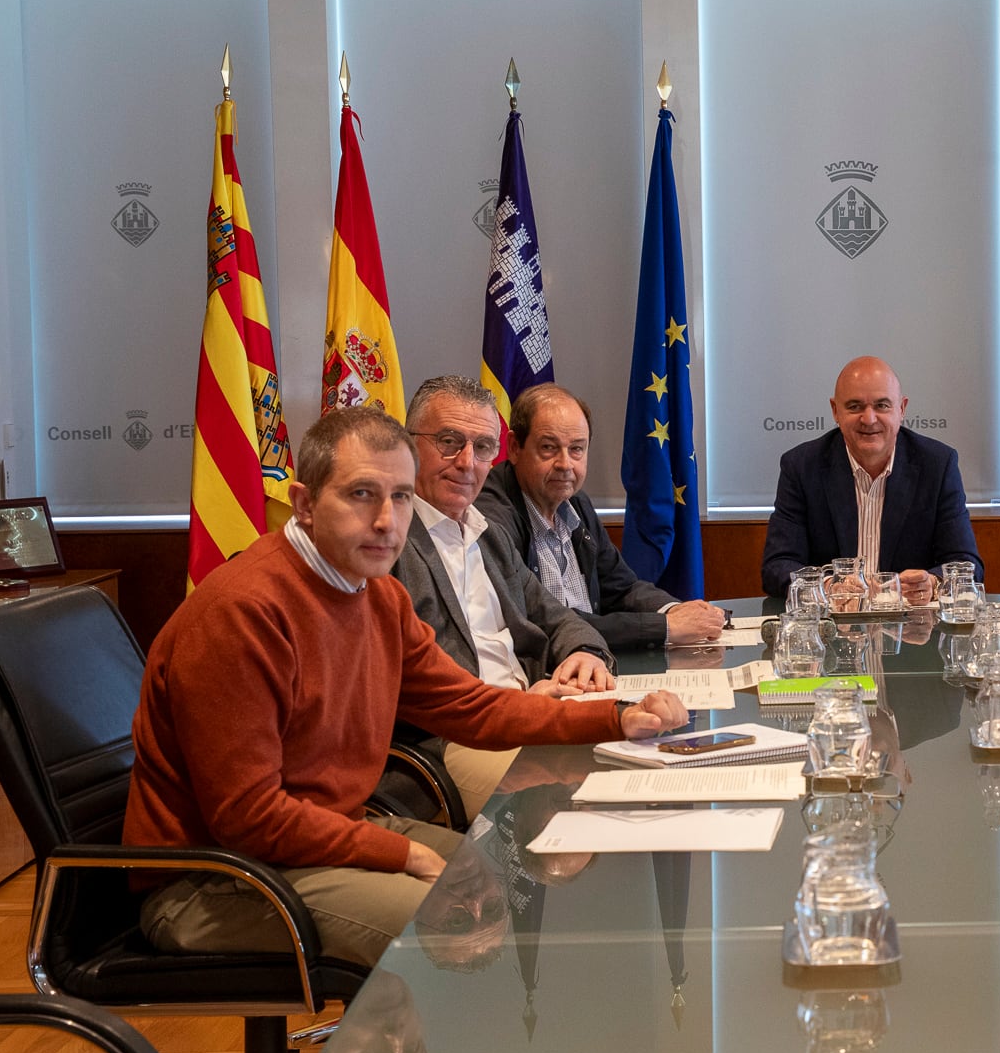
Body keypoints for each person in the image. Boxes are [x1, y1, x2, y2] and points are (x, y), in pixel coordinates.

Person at [123, 405, 688, 970]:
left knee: (498, 887)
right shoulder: (243, 613)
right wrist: (399, 852)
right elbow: (248, 818)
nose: (386, 521)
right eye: (361, 495)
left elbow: (470, 708)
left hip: (320, 837)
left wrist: (615, 717)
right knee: (448, 918)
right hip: (213, 878)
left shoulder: (376, 596)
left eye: (398, 497)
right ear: (303, 503)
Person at [392, 375, 623, 818]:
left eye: (482, 448)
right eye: (448, 441)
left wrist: (586, 651)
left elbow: (556, 617)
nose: (467, 462)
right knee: (600, 769)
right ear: (408, 445)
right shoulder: (390, 544)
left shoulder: (487, 534)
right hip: (457, 740)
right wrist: (515, 710)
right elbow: (412, 682)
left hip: (528, 713)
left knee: (644, 745)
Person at [476, 383, 726, 651]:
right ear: (514, 447)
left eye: (576, 449)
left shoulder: (574, 502)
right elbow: (541, 623)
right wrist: (664, 628)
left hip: (592, 657)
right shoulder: (491, 519)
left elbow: (622, 588)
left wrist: (674, 610)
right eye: (549, 447)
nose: (565, 464)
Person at [759, 355, 981, 603]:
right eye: (854, 406)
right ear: (835, 411)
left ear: (902, 409)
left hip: (911, 631)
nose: (869, 419)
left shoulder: (937, 464)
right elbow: (776, 568)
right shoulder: (801, 467)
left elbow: (966, 565)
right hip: (830, 632)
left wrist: (932, 583)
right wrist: (828, 586)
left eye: (882, 406)